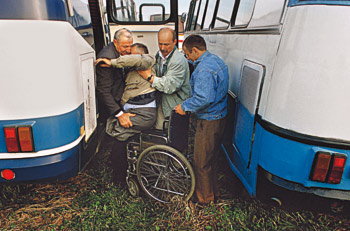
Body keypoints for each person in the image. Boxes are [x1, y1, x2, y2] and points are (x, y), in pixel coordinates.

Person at [174, 35, 229, 204]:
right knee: (211, 158)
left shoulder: (204, 70)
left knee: (201, 162)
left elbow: (203, 98)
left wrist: (183, 107)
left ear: (195, 51)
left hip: (208, 121)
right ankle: (214, 194)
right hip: (220, 116)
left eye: (187, 54)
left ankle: (205, 201)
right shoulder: (216, 61)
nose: (188, 58)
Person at [95, 43, 157, 141]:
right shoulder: (131, 69)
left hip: (144, 114)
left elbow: (137, 60)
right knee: (122, 136)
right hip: (133, 110)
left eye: (130, 55)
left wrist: (111, 62)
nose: (126, 57)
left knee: (113, 128)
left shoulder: (147, 61)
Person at [96, 28, 133, 186]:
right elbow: (103, 91)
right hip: (112, 105)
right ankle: (117, 178)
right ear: (115, 42)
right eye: (125, 47)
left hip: (119, 99)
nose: (128, 50)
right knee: (119, 138)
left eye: (130, 46)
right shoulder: (106, 58)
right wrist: (119, 114)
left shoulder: (119, 53)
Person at [137, 28, 191, 129]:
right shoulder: (159, 55)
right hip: (163, 100)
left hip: (175, 103)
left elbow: (170, 86)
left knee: (172, 132)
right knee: (159, 128)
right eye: (160, 43)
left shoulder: (178, 60)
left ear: (175, 42)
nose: (162, 48)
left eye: (166, 44)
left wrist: (149, 77)